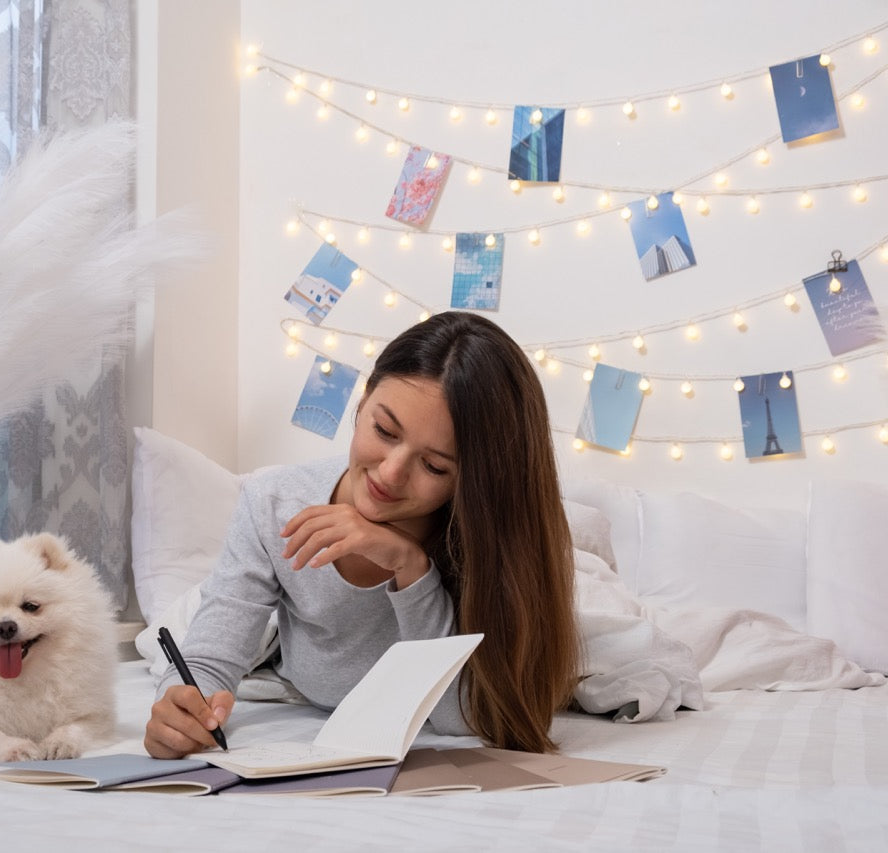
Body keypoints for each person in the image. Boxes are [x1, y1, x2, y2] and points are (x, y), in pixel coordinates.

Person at [144, 311, 579, 758]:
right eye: (384, 431)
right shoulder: (273, 502)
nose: (390, 475)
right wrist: (180, 707)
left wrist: (412, 569)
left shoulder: (481, 538)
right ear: (364, 398)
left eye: (434, 466)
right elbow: (208, 660)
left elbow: (462, 719)